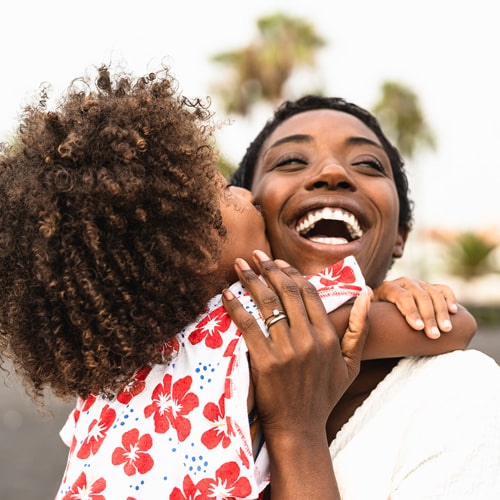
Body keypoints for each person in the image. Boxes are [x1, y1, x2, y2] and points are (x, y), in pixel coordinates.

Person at [0, 66, 478, 500]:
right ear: (190, 247)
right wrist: (385, 299)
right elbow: (450, 326)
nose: (243, 193)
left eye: (368, 164)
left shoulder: (106, 392)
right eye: (225, 191)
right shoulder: (251, 321)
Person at [229, 94, 500, 498]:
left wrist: (295, 430)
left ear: (400, 237)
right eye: (290, 161)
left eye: (368, 165)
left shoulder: (456, 392)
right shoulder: (164, 354)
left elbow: (458, 324)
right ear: (248, 209)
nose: (333, 172)